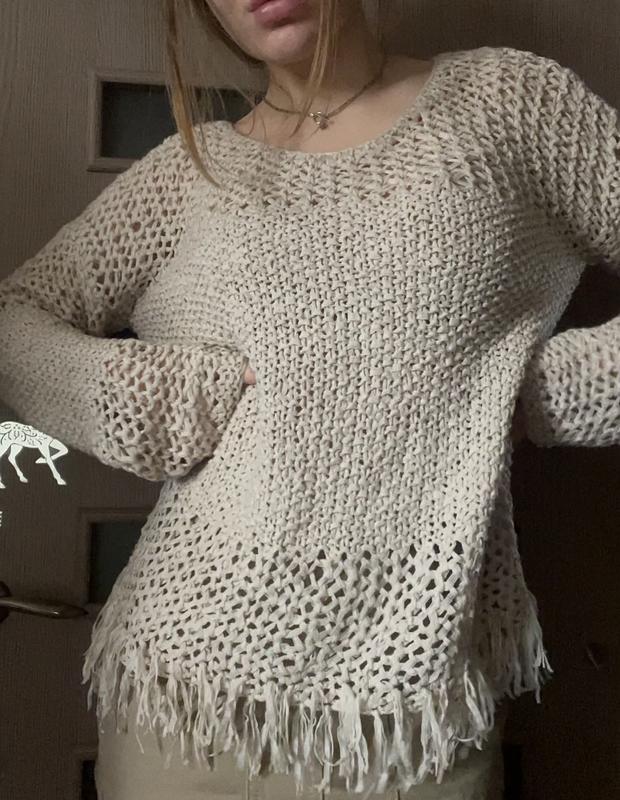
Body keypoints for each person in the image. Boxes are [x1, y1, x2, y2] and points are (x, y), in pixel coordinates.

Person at [1, 0, 618, 798]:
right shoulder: (191, 172)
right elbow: (15, 322)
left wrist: (537, 393)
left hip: (412, 725)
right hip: (183, 712)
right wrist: (143, 396)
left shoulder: (508, 105)